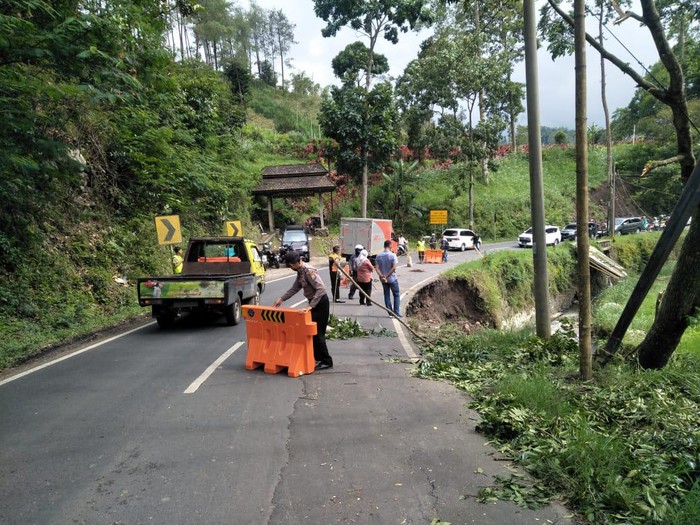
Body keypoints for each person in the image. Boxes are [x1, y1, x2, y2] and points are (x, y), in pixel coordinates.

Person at [273, 252, 333, 370]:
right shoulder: (301, 272)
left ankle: (326, 361)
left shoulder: (309, 271)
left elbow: (321, 289)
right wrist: (282, 299)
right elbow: (295, 288)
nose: (290, 268)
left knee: (318, 333)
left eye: (290, 265)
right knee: (312, 333)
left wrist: (310, 306)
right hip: (314, 303)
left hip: (320, 303)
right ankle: (318, 358)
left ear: (294, 264)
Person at [374, 240, 401, 317]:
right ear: (390, 246)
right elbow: (394, 267)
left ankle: (390, 313)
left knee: (386, 295)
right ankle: (396, 312)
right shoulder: (393, 255)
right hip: (392, 279)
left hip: (383, 280)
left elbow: (376, 268)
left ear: (384, 246)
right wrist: (387, 275)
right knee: (396, 295)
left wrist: (382, 276)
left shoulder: (378, 256)